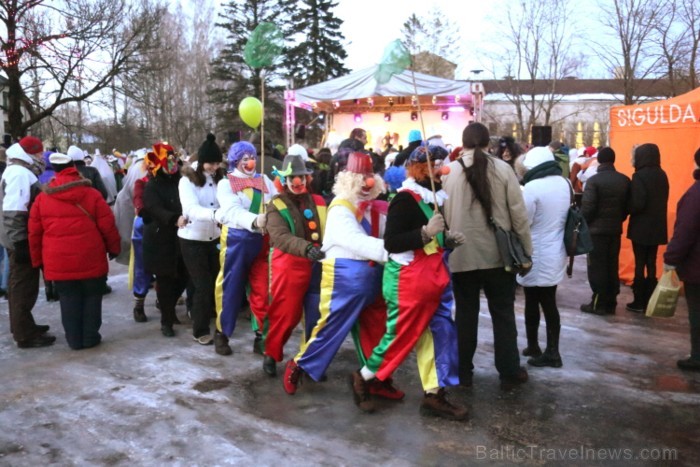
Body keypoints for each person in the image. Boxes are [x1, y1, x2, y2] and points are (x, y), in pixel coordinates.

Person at [352, 145, 468, 419]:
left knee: (438, 334)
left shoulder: (434, 198)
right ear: (419, 168)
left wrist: (445, 240)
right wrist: (426, 233)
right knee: (401, 335)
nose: (442, 169)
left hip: (432, 278)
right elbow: (392, 242)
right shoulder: (405, 199)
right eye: (435, 164)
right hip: (407, 281)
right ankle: (363, 376)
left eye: (442, 163)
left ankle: (434, 393)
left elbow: (431, 240)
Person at [283, 152, 399, 399]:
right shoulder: (339, 208)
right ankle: (298, 365)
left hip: (375, 279)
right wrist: (395, 253)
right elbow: (354, 240)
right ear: (348, 180)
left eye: (370, 177)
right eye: (360, 177)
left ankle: (377, 380)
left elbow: (390, 236)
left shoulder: (378, 208)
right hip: (344, 280)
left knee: (377, 333)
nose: (367, 183)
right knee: (330, 329)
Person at [442, 123, 532, 390]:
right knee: (503, 314)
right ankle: (509, 371)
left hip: (460, 255)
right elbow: (518, 215)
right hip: (498, 256)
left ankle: (463, 373)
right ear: (487, 144)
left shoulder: (449, 172)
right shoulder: (504, 169)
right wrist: (526, 251)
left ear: (463, 143)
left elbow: (442, 215)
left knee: (465, 315)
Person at [28, 152, 120, 350]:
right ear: (74, 168)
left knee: (68, 299)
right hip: (91, 255)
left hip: (58, 260)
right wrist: (114, 248)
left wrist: (37, 261)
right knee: (92, 297)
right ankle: (90, 336)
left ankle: (74, 339)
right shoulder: (92, 194)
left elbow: (34, 233)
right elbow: (108, 225)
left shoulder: (43, 198)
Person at [263, 153, 327, 376]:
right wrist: (307, 248)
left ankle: (310, 360)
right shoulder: (275, 205)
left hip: (318, 265)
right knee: (286, 315)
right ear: (285, 180)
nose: (297, 182)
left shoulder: (318, 201)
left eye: (300, 177)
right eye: (292, 178)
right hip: (290, 265)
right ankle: (271, 353)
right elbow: (280, 237)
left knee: (316, 316)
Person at [213, 141, 276, 356]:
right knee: (231, 287)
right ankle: (222, 333)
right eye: (245, 158)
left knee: (263, 288)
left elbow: (277, 202)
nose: (250, 162)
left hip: (263, 240)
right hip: (237, 239)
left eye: (252, 157)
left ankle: (261, 335)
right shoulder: (226, 183)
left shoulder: (265, 179)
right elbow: (231, 211)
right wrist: (255, 219)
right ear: (235, 162)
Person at [517, 147, 570, 368]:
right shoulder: (564, 183)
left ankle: (542, 349)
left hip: (535, 250)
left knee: (532, 300)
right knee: (549, 301)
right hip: (557, 249)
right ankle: (550, 348)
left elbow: (524, 222)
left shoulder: (531, 188)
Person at [0, 138, 56, 348]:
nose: (42, 158)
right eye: (40, 154)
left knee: (20, 285)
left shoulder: (17, 169)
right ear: (31, 154)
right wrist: (21, 242)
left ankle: (23, 325)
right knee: (23, 286)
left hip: (16, 237)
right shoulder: (20, 173)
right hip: (20, 239)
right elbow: (15, 210)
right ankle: (25, 334)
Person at [178, 134, 225, 345]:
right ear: (201, 161)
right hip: (192, 238)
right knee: (203, 284)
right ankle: (200, 329)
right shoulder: (187, 181)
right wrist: (215, 215)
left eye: (217, 163)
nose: (214, 167)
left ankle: (202, 312)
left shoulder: (220, 179)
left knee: (214, 280)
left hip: (214, 237)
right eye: (210, 163)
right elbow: (191, 209)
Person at [142, 143, 189, 337]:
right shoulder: (153, 184)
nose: (172, 164)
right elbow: (153, 207)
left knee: (185, 275)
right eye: (168, 160)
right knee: (166, 280)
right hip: (161, 238)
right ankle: (167, 321)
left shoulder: (184, 181)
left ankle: (167, 306)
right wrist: (172, 218)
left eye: (174, 160)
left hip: (184, 235)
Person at [579, 147, 631, 315]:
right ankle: (611, 302)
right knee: (611, 265)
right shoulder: (624, 180)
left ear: (599, 160)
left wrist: (583, 224)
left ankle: (598, 302)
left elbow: (588, 209)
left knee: (597, 267)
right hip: (615, 230)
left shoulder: (594, 181)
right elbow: (627, 207)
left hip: (596, 232)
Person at [664, 148, 700, 371]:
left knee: (697, 312)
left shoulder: (695, 194)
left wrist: (671, 258)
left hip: (697, 267)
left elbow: (685, 230)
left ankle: (698, 356)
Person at [626, 143, 669, 313]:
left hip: (641, 226)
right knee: (651, 262)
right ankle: (652, 297)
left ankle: (639, 300)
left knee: (639, 262)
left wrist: (628, 207)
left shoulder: (639, 176)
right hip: (658, 225)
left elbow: (637, 203)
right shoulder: (662, 175)